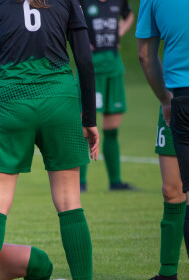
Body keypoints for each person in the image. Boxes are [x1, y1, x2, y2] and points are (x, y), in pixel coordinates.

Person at [0, 0, 100, 280]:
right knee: (69, 201)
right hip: (60, 101)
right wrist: (90, 119)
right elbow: (84, 58)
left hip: (10, 101)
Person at [130, 0, 188, 280]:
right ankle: (168, 275)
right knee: (172, 189)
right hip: (175, 97)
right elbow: (144, 55)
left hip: (177, 100)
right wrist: (165, 99)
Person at [78, 0, 135, 191]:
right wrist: (81, 40)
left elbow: (129, 15)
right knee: (84, 126)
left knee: (112, 128)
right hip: (92, 69)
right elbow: (66, 21)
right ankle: (80, 183)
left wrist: (119, 32)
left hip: (113, 66)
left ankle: (115, 181)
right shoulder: (81, 2)